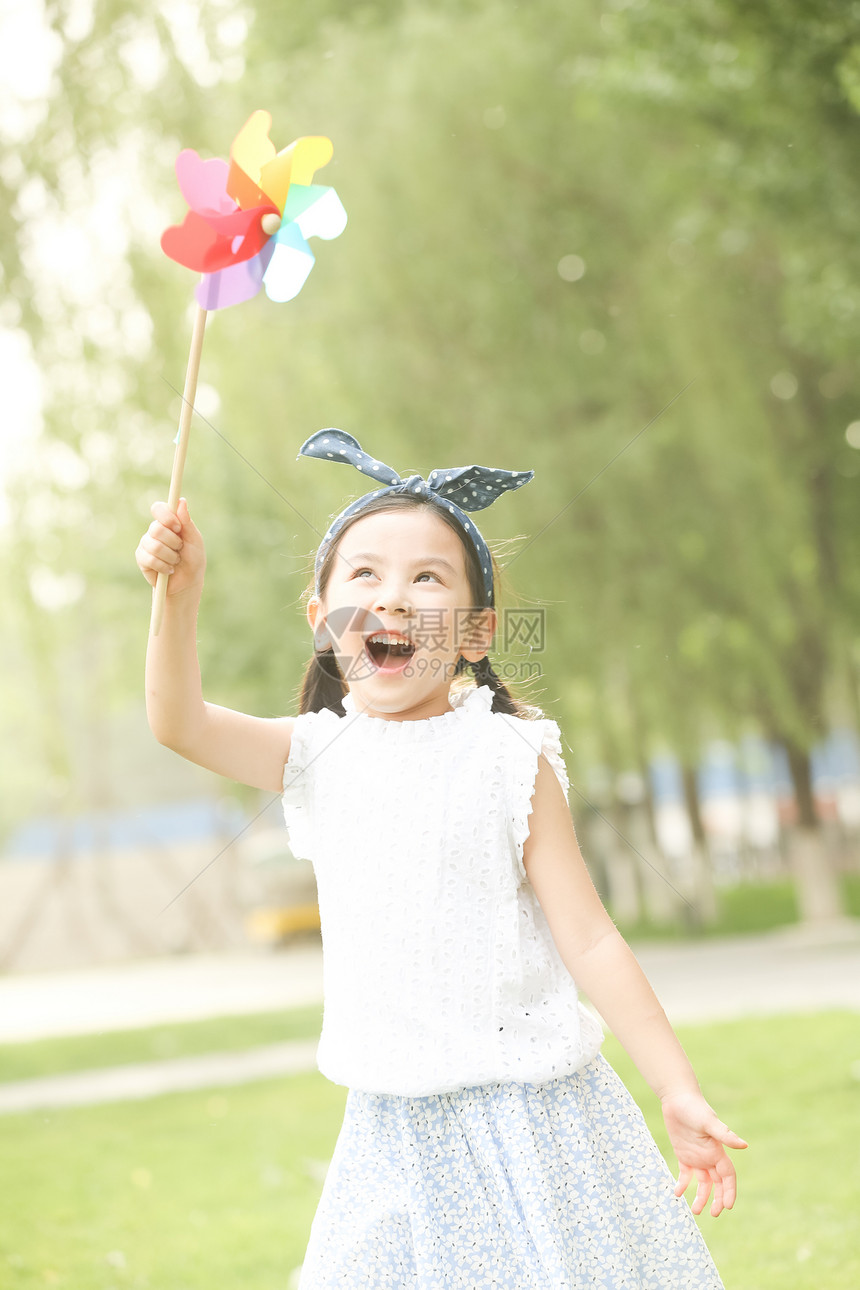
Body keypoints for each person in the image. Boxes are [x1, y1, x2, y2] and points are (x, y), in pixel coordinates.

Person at [136, 427, 747, 1289]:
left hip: (538, 1116)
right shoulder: (312, 755)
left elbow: (591, 938)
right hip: (391, 1133)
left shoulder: (509, 757)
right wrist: (178, 594)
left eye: (427, 578)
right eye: (365, 575)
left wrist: (676, 1086)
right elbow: (178, 721)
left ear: (475, 631)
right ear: (324, 622)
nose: (393, 597)